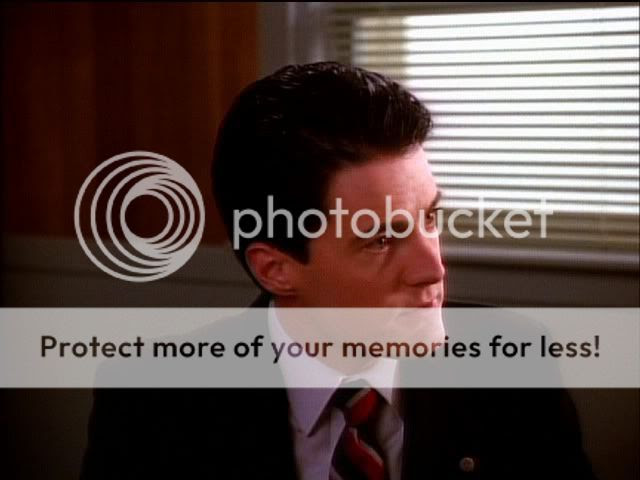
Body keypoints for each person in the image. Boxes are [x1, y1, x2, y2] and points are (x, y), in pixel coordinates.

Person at [81, 62, 596, 479]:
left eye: (430, 218)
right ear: (276, 269)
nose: (433, 268)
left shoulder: (514, 367)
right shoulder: (152, 404)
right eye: (380, 240)